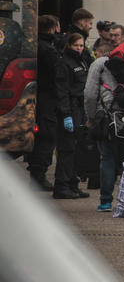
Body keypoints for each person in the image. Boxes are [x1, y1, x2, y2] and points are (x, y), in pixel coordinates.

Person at [84, 42, 124, 211]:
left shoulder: (98, 64)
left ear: (99, 52)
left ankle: (105, 201)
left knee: (107, 157)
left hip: (106, 116)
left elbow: (90, 94)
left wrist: (90, 117)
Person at [54, 33, 90, 199]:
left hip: (80, 110)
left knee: (76, 150)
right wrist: (66, 114)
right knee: (67, 149)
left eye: (81, 46)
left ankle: (72, 184)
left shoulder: (81, 61)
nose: (79, 48)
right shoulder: (64, 64)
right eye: (76, 45)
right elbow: (62, 92)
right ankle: (61, 185)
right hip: (70, 110)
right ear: (69, 45)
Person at [27, 15, 60, 190]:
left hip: (37, 95)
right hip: (48, 98)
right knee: (47, 136)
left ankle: (36, 171)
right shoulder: (48, 49)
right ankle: (38, 174)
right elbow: (57, 76)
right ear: (52, 28)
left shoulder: (34, 44)